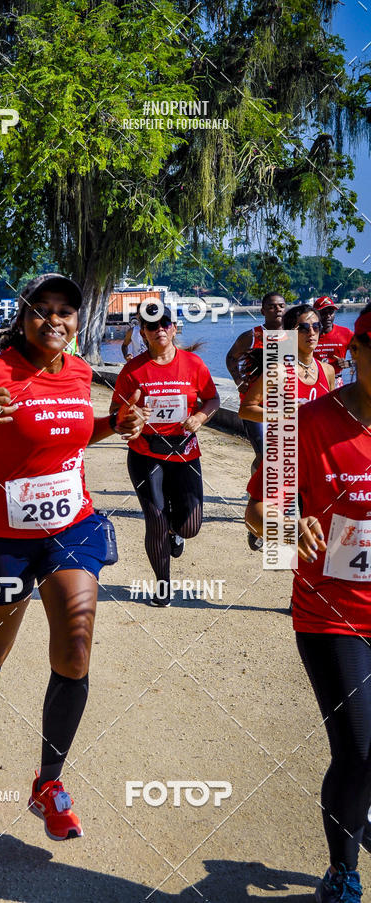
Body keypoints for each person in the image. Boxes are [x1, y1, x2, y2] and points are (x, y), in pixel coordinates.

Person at [0, 273, 145, 840]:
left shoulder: (77, 373)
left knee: (75, 648)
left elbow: (66, 435)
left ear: (77, 318)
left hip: (70, 529)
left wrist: (112, 425)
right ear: (23, 317)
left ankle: (49, 783)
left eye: (65, 310)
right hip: (3, 538)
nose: (55, 320)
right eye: (42, 309)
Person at [245, 303, 371, 903]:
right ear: (354, 353)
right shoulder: (308, 422)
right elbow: (259, 511)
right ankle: (343, 871)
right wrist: (285, 528)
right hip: (332, 614)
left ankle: (359, 814)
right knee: (358, 745)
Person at [111, 303, 220, 606]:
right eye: (151, 326)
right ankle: (162, 586)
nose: (159, 329)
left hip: (184, 452)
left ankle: (177, 531)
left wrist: (199, 418)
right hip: (146, 453)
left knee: (191, 525)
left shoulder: (193, 364)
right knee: (155, 519)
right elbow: (115, 414)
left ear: (173, 328)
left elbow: (212, 398)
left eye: (165, 324)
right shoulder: (133, 370)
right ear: (143, 333)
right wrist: (131, 414)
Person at [239, 304, 335, 422]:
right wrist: (287, 414)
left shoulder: (328, 370)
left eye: (316, 326)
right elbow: (245, 410)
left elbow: (332, 412)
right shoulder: (278, 371)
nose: (311, 332)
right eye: (303, 328)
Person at [226, 292, 286, 472]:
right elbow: (231, 357)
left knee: (283, 453)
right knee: (264, 454)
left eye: (281, 306)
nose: (278, 310)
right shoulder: (252, 336)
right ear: (262, 311)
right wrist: (238, 380)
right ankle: (257, 488)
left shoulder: (294, 335)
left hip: (282, 405)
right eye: (272, 306)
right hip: (255, 405)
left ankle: (277, 490)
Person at [313, 296, 354, 388]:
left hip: (336, 381)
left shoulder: (345, 333)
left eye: (331, 312)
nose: (328, 316)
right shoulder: (308, 334)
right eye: (323, 313)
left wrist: (350, 363)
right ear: (315, 315)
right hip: (313, 382)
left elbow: (365, 353)